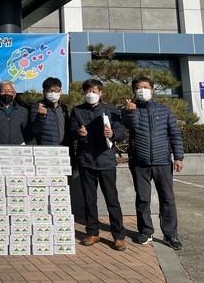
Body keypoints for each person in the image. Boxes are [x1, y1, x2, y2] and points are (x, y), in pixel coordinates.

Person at [121, 76, 184, 250]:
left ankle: (171, 234)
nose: (143, 90)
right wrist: (131, 112)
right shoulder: (128, 110)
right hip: (139, 162)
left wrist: (178, 157)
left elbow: (175, 134)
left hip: (163, 162)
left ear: (152, 90)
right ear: (134, 91)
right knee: (142, 199)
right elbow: (130, 127)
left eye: (146, 87)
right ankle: (145, 231)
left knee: (168, 199)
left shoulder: (164, 110)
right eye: (139, 87)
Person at [70, 79, 126, 251]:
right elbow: (71, 131)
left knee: (112, 200)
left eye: (94, 91)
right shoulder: (77, 110)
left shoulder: (111, 110)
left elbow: (122, 131)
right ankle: (92, 233)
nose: (91, 94)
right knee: (89, 200)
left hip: (106, 160)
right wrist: (79, 133)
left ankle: (118, 236)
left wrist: (113, 133)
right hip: (86, 160)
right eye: (87, 91)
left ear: (101, 93)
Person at [29, 77, 71, 146]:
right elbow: (35, 129)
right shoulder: (37, 107)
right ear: (44, 92)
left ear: (60, 92)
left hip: (64, 149)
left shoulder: (64, 108)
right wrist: (40, 116)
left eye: (56, 90)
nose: (53, 93)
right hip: (46, 149)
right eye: (50, 91)